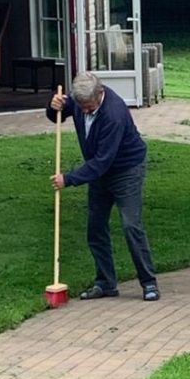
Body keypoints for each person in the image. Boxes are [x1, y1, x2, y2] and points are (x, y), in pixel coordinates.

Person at [46, 72, 160, 302]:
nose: (85, 111)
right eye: (82, 106)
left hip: (126, 170)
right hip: (98, 171)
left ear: (100, 94)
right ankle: (106, 283)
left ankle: (149, 283)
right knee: (95, 227)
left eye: (89, 107)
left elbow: (102, 161)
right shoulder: (81, 99)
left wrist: (68, 179)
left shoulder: (114, 114)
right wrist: (53, 106)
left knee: (131, 225)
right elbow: (57, 114)